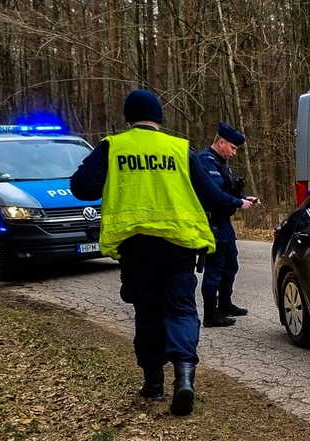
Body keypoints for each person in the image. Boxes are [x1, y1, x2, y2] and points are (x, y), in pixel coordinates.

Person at [70, 89, 252, 416]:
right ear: (159, 118)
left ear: (128, 117)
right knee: (182, 310)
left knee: (148, 313)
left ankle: (154, 385)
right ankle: (184, 378)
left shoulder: (113, 147)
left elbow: (81, 187)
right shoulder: (179, 149)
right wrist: (236, 202)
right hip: (179, 247)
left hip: (137, 248)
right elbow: (211, 196)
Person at [198, 122, 259, 327]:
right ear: (221, 142)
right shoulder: (205, 162)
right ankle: (210, 313)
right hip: (212, 224)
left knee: (230, 265)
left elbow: (228, 191)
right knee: (215, 268)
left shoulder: (222, 162)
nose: (234, 153)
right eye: (232, 148)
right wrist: (238, 203)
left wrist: (243, 198)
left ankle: (224, 304)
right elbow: (214, 196)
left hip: (224, 223)